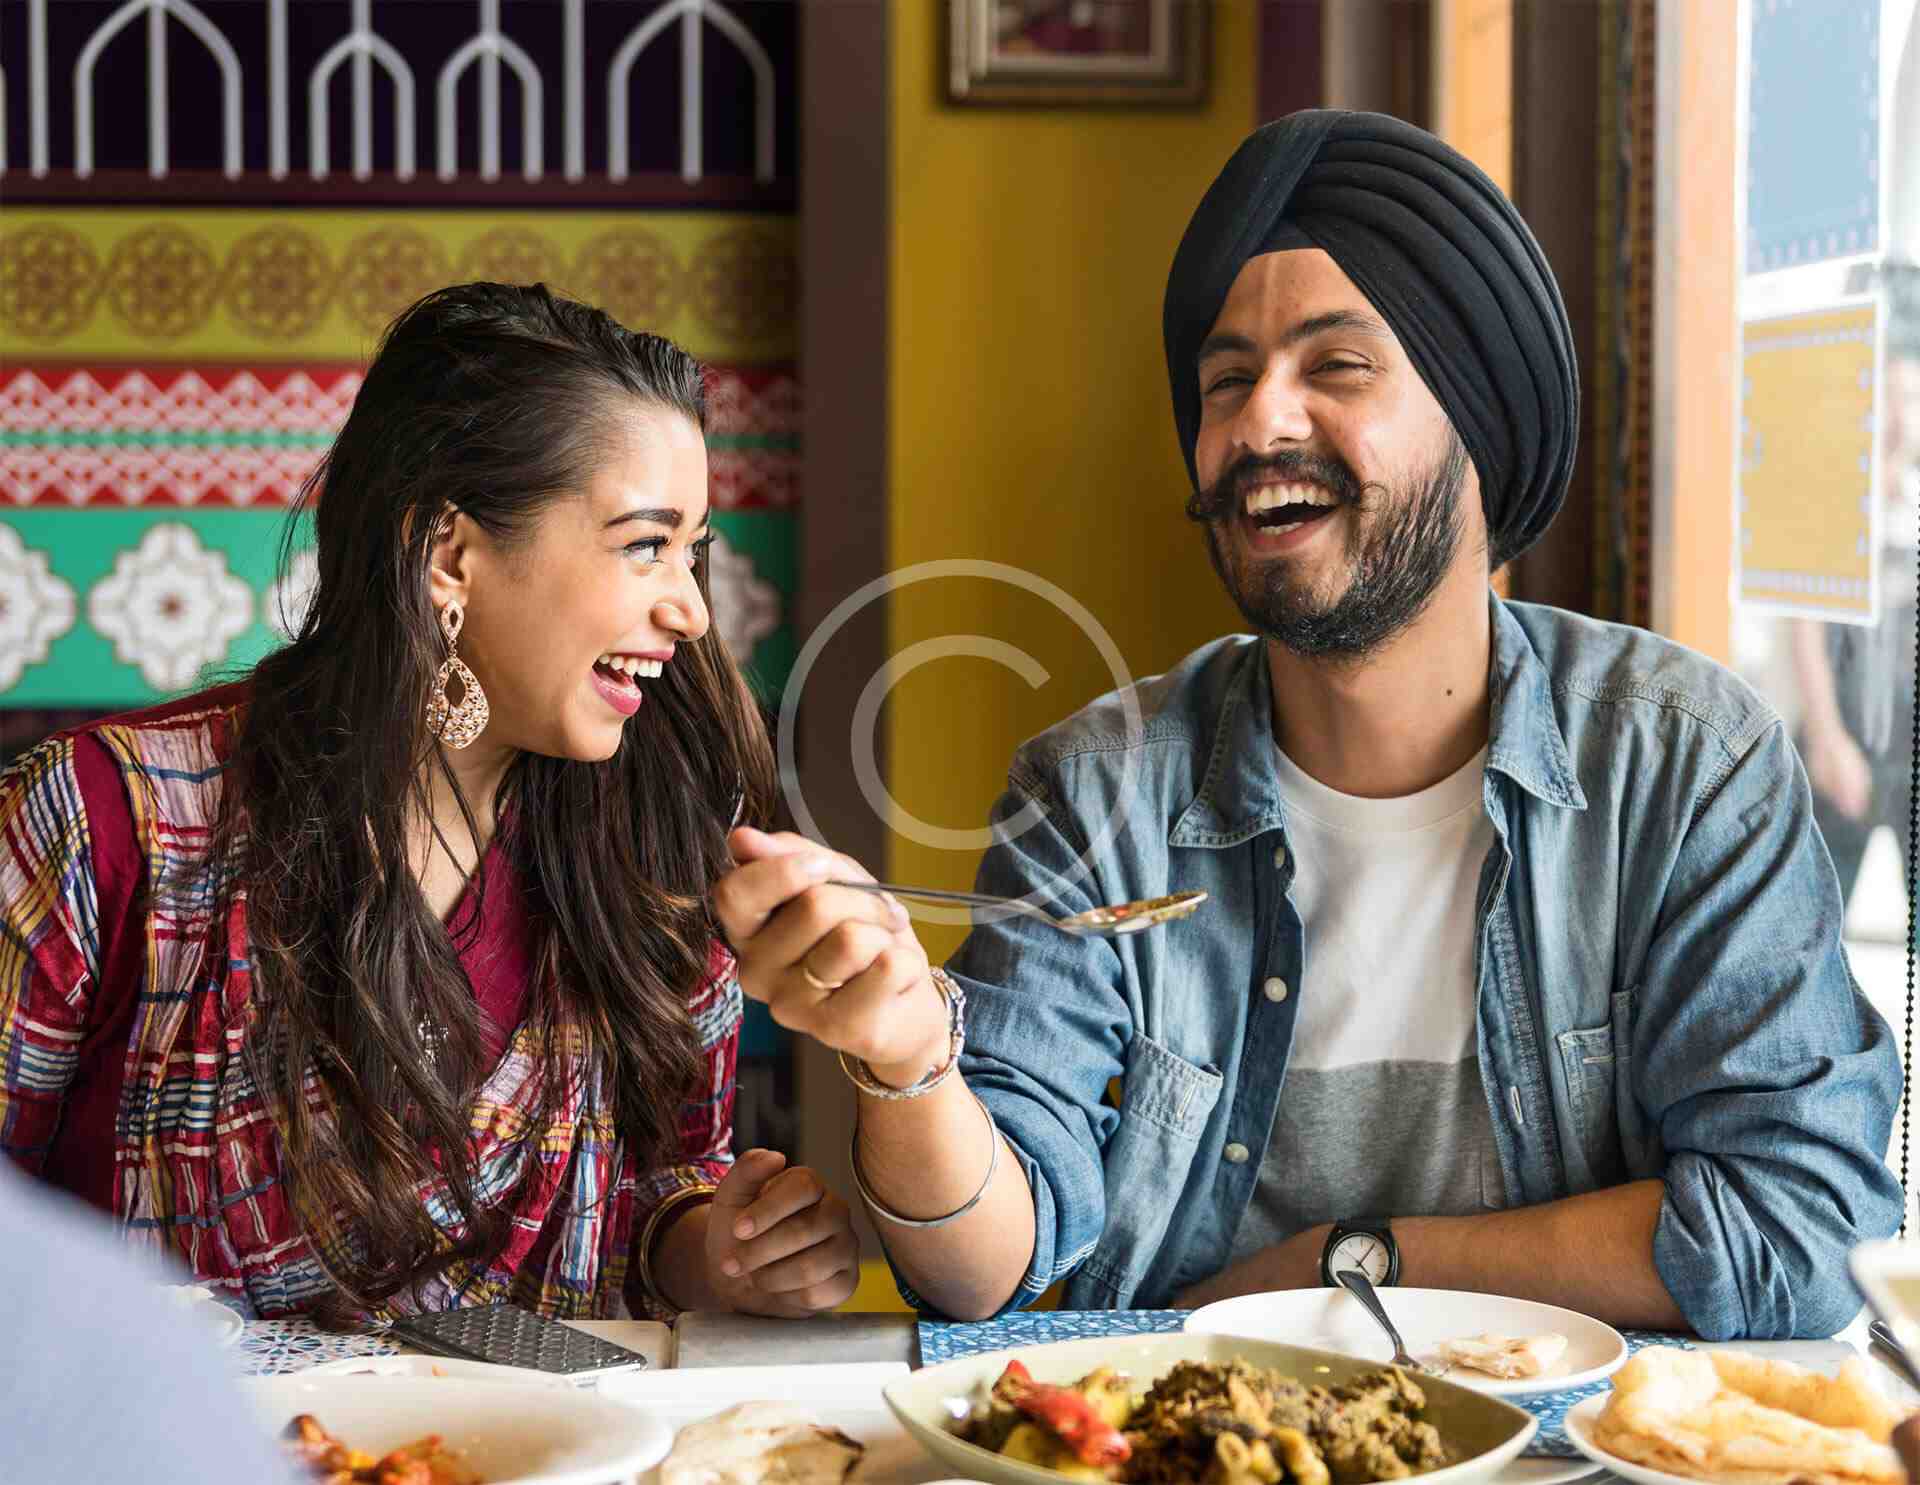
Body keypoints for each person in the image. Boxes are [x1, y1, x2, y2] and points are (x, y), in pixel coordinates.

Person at [714, 111, 1903, 1340]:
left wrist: (1345, 1264)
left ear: (1479, 421)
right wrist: (907, 1055)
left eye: (1335, 367)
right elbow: (985, 1274)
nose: (1257, 425)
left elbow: (1806, 1227)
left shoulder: (1687, 763)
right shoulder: (1097, 791)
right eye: (1226, 379)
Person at [0, 283, 858, 1324]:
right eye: (644, 544)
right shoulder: (102, 822)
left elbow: (659, 1182)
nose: (687, 609)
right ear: (449, 555)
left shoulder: (657, 837)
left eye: (694, 552)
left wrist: (715, 1248)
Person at [1793, 262, 1919, 911]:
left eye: (1910, 397)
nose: (1900, 415)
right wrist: (1826, 733)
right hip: (1848, 724)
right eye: (1888, 395)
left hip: (1907, 735)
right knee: (1820, 908)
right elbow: (1807, 620)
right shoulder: (1838, 492)